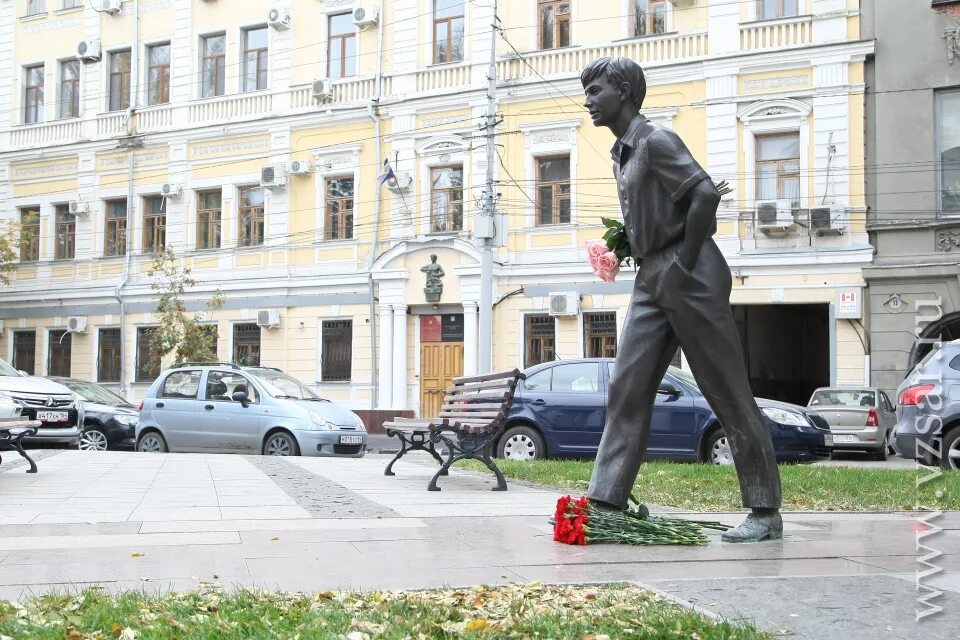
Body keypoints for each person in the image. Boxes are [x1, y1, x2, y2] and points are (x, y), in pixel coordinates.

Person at [581, 57, 783, 543]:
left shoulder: (656, 140)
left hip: (687, 272)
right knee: (626, 388)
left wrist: (684, 259)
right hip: (653, 276)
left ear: (625, 91)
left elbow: (705, 196)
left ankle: (765, 509)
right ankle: (605, 503)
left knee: (725, 390)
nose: (588, 100)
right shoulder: (623, 152)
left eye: (596, 90)